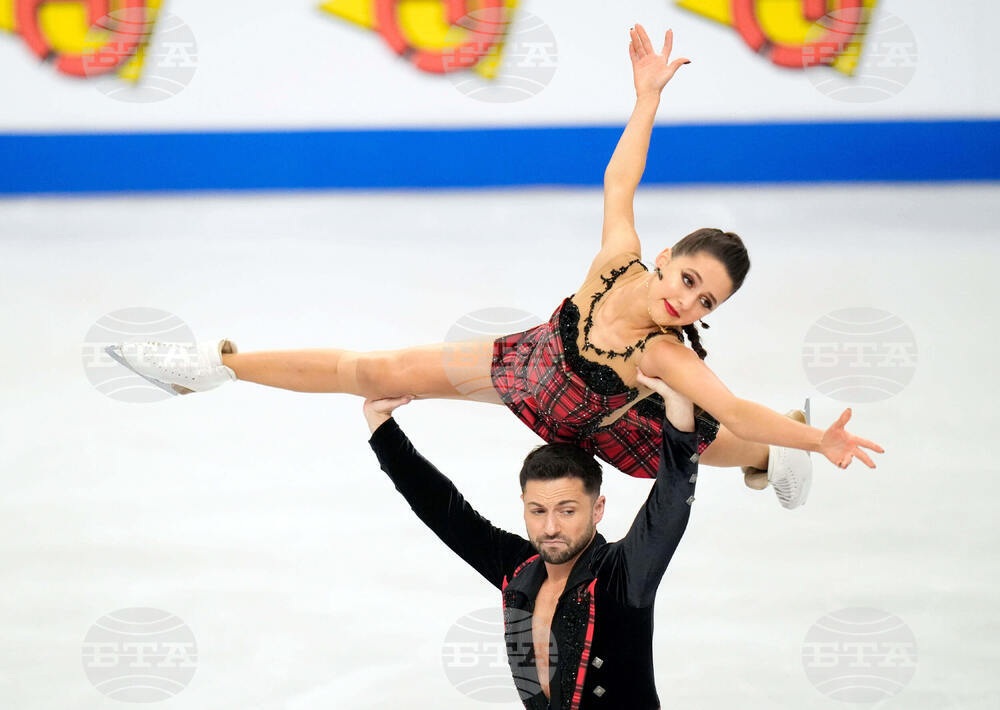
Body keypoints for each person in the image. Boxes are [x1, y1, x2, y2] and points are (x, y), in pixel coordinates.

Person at [105, 25, 883, 509]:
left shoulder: (663, 356)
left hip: (607, 421)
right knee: (374, 368)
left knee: (719, 441)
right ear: (670, 255)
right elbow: (621, 180)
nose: (687, 298)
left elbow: (738, 406)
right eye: (687, 276)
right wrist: (645, 99)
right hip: (527, 365)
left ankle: (787, 449)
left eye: (705, 297)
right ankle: (217, 367)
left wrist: (819, 446)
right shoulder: (620, 261)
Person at [362, 370, 711, 709]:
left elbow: (670, 500)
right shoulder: (518, 568)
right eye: (538, 511)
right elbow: (441, 508)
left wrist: (679, 414)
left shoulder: (622, 573)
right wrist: (381, 424)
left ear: (597, 508)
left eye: (567, 510)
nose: (550, 529)